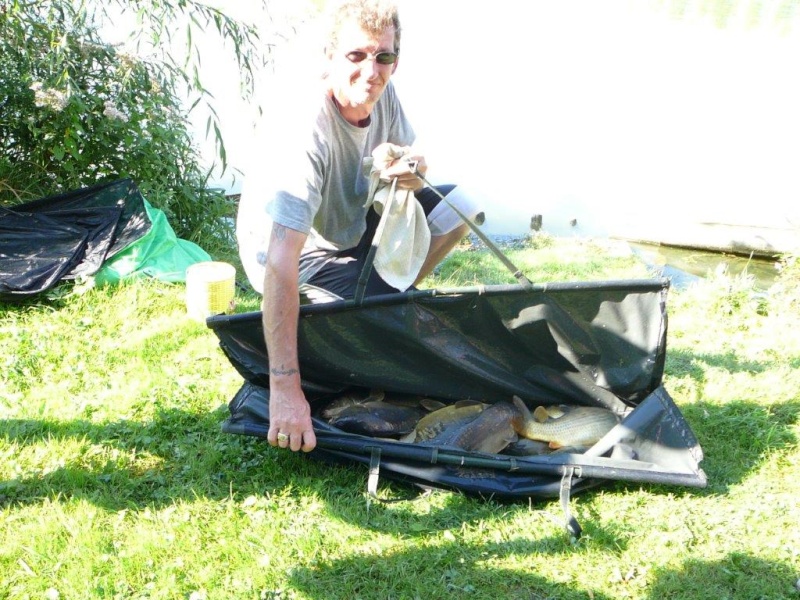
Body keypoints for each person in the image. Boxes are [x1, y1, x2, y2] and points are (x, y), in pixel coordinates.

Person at [235, 0, 482, 453]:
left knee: (459, 206)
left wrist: (411, 167)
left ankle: (388, 292)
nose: (372, 70)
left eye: (384, 56)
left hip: (345, 221)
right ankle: (365, 300)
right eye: (357, 55)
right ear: (330, 58)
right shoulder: (305, 130)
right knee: (365, 312)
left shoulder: (381, 90)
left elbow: (401, 147)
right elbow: (280, 259)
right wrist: (286, 390)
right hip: (293, 248)